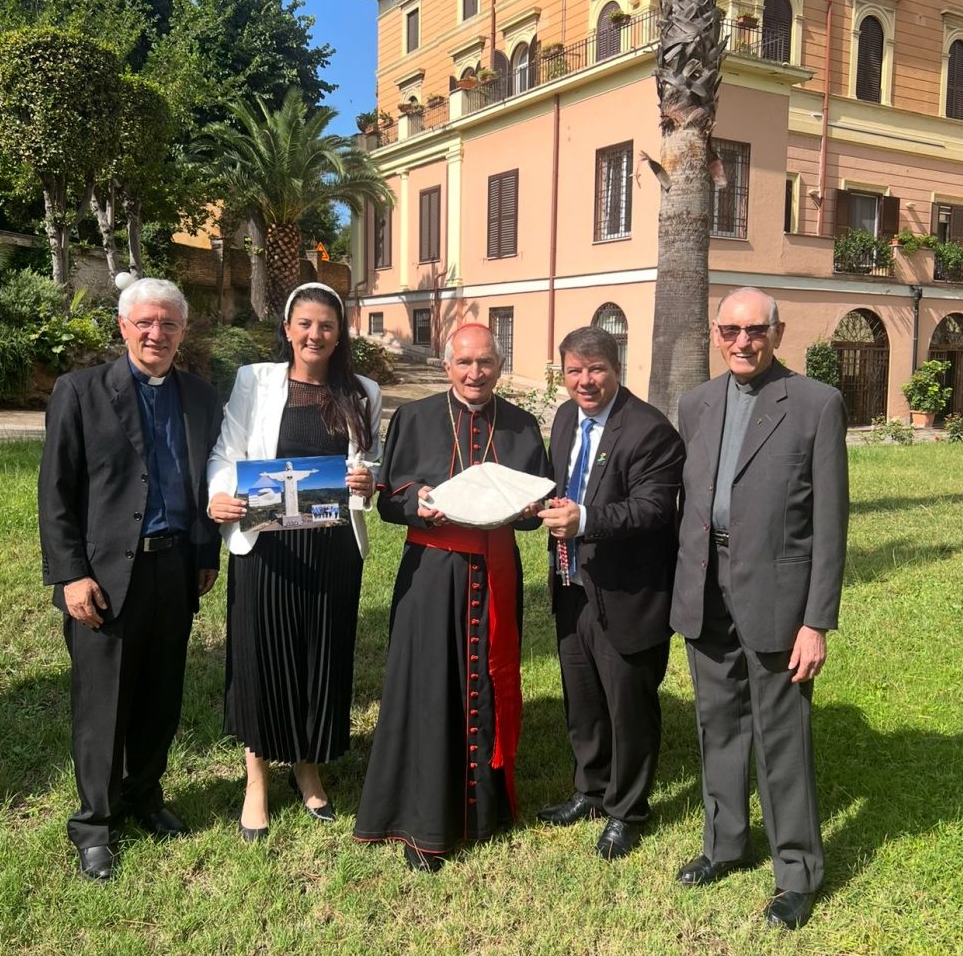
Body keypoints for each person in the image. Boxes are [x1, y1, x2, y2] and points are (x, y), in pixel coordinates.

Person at [672, 287, 848, 929]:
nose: (741, 342)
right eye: (730, 330)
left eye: (754, 330)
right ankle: (724, 845)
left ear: (777, 331)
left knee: (781, 736)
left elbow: (830, 525)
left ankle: (797, 872)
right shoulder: (696, 403)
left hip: (777, 597)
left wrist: (816, 621)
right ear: (717, 333)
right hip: (704, 588)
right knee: (717, 723)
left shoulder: (814, 405)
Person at [38, 278, 221, 882]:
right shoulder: (80, 392)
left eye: (168, 324)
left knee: (160, 693)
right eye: (145, 322)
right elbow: (56, 493)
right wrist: (70, 576)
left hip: (174, 567)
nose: (156, 334)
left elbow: (205, 483)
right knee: (102, 705)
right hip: (106, 575)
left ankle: (144, 796)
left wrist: (205, 553)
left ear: (183, 331)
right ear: (123, 327)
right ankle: (95, 822)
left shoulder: (198, 395)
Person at [353, 323, 551, 872]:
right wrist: (415, 501)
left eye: (485, 362)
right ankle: (421, 820)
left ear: (499, 365)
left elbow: (536, 508)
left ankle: (486, 809)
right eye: (464, 362)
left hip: (495, 571)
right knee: (427, 688)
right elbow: (390, 501)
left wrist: (532, 512)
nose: (475, 373)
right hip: (432, 573)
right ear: (447, 366)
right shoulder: (414, 419)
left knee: (487, 681)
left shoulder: (523, 426)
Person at [206, 283, 380, 841]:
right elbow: (225, 452)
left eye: (326, 325)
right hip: (267, 545)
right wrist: (219, 494)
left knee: (320, 654)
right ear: (287, 329)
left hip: (330, 547)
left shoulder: (363, 391)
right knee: (264, 653)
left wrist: (366, 481)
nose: (315, 335)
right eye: (304, 324)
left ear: (339, 333)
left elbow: (370, 462)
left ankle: (308, 764)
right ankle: (256, 776)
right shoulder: (254, 381)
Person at [538, 326, 684, 860]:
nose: (585, 380)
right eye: (574, 371)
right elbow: (558, 485)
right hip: (572, 585)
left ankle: (627, 811)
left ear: (616, 367)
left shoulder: (649, 430)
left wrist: (586, 519)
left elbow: (651, 509)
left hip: (628, 593)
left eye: (595, 368)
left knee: (629, 708)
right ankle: (590, 789)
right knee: (585, 702)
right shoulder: (562, 418)